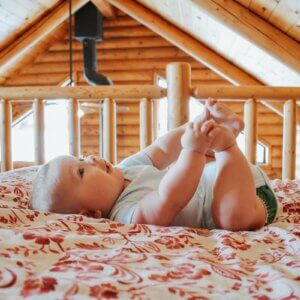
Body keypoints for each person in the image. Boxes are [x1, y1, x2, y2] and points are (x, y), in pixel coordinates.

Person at [30, 99, 279, 231]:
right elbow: (167, 198)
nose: (92, 158)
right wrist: (193, 149)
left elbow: (163, 148)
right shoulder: (126, 213)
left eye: (82, 156)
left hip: (229, 176)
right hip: (248, 200)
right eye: (82, 170)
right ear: (90, 214)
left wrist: (198, 126)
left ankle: (224, 137)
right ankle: (226, 148)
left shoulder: (126, 168)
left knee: (204, 168)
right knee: (230, 218)